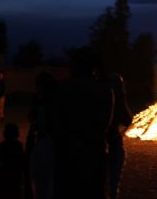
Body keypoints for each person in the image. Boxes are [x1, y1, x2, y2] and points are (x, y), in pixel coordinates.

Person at [52, 47, 114, 199]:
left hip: (69, 155)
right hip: (95, 152)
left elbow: (55, 122)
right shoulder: (105, 89)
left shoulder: (64, 89)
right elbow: (105, 124)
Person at [26, 73, 57, 199]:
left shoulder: (46, 102)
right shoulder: (41, 100)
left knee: (44, 181)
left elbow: (38, 122)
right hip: (44, 141)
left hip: (46, 141)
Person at [106, 74, 132, 199]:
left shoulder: (98, 97)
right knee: (113, 184)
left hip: (98, 145)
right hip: (113, 144)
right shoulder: (118, 101)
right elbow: (127, 119)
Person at [0, 123, 25, 199]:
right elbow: (22, 163)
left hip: (5, 177)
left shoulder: (3, 145)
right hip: (15, 177)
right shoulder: (18, 146)